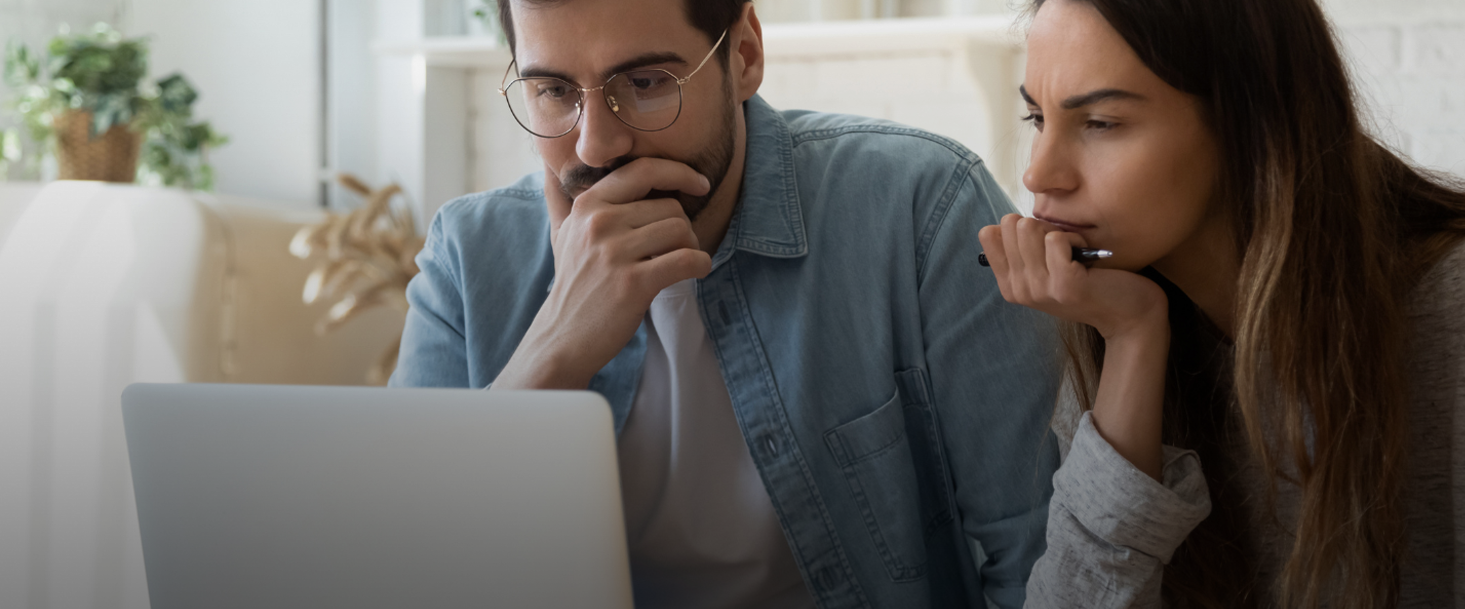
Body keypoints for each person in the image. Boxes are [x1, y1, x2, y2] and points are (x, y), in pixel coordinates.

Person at [388, 0, 1066, 607]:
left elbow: (1042, 562)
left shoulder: (923, 208)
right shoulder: (467, 257)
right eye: (554, 91)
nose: (596, 143)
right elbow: (402, 572)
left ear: (744, 55)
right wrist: (557, 344)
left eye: (647, 83)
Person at [978, 0, 1465, 607]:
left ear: (1251, 123)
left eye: (1101, 123)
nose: (1040, 174)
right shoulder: (1110, 317)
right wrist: (1133, 340)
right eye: (1037, 119)